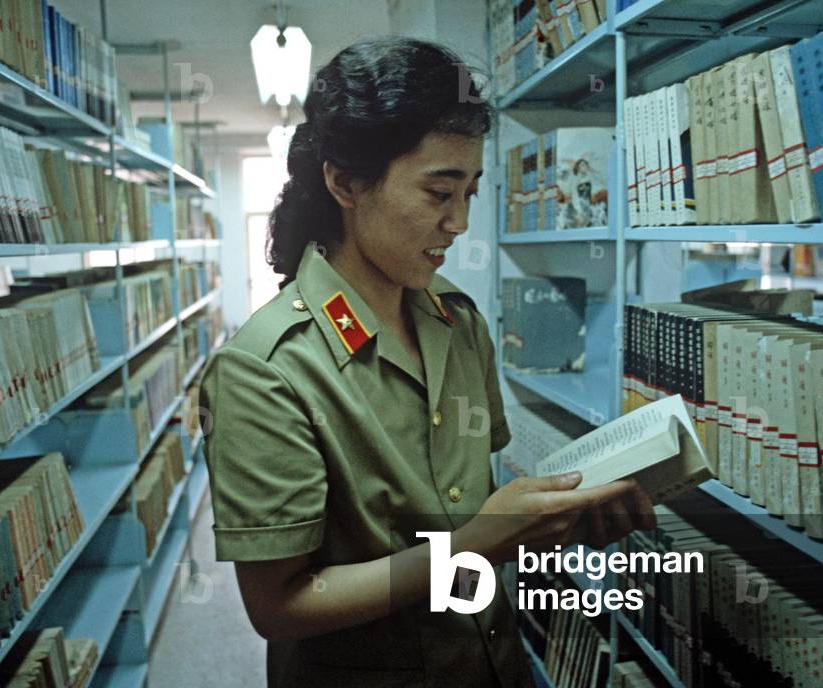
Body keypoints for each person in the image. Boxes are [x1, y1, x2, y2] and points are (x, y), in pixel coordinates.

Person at [198, 36, 655, 688]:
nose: (459, 222)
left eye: (470, 191)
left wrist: (552, 522)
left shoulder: (457, 320)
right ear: (345, 183)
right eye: (439, 193)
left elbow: (467, 504)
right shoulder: (264, 370)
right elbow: (277, 606)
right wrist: (479, 542)